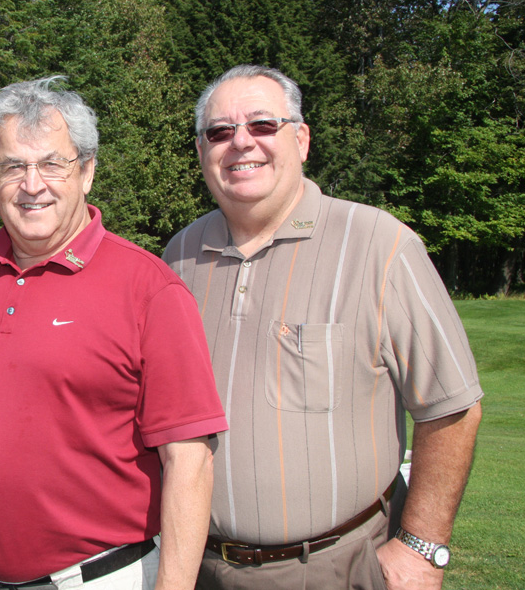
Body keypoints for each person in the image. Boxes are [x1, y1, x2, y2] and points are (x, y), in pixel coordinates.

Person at [163, 65, 483, 590]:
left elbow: (452, 406)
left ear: (301, 139)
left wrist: (422, 548)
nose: (241, 143)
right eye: (219, 132)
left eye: (263, 125)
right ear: (201, 152)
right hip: (202, 567)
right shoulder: (178, 257)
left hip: (338, 568)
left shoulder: (380, 244)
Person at [0, 76, 228, 590]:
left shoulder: (148, 288)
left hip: (98, 578)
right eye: (13, 166)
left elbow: (189, 459)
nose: (32, 184)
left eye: (52, 163)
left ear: (87, 171)